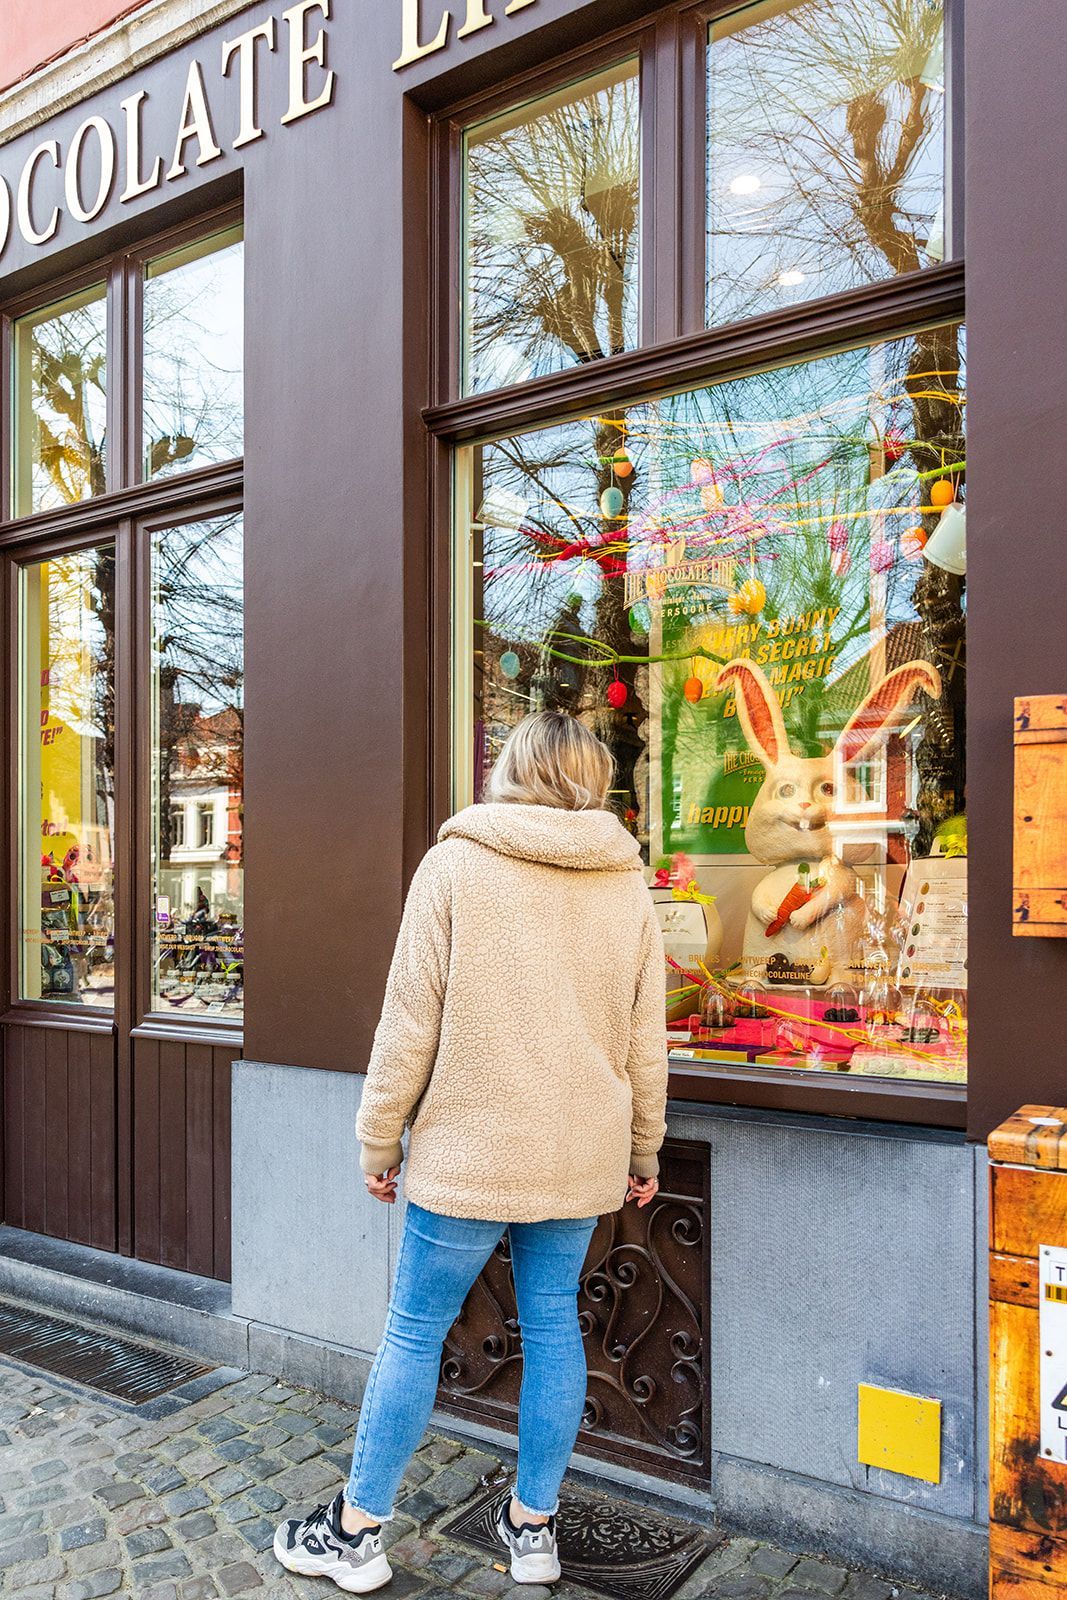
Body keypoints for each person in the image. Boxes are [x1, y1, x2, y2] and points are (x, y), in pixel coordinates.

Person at [274, 710, 669, 1594]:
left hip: (470, 1147)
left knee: (414, 1331)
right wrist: (644, 1147)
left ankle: (354, 1534)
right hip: (578, 1153)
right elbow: (647, 1038)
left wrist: (380, 1135)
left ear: (514, 770)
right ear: (592, 779)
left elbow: (409, 1019)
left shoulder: (456, 864)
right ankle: (533, 1532)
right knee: (557, 1324)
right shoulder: (624, 883)